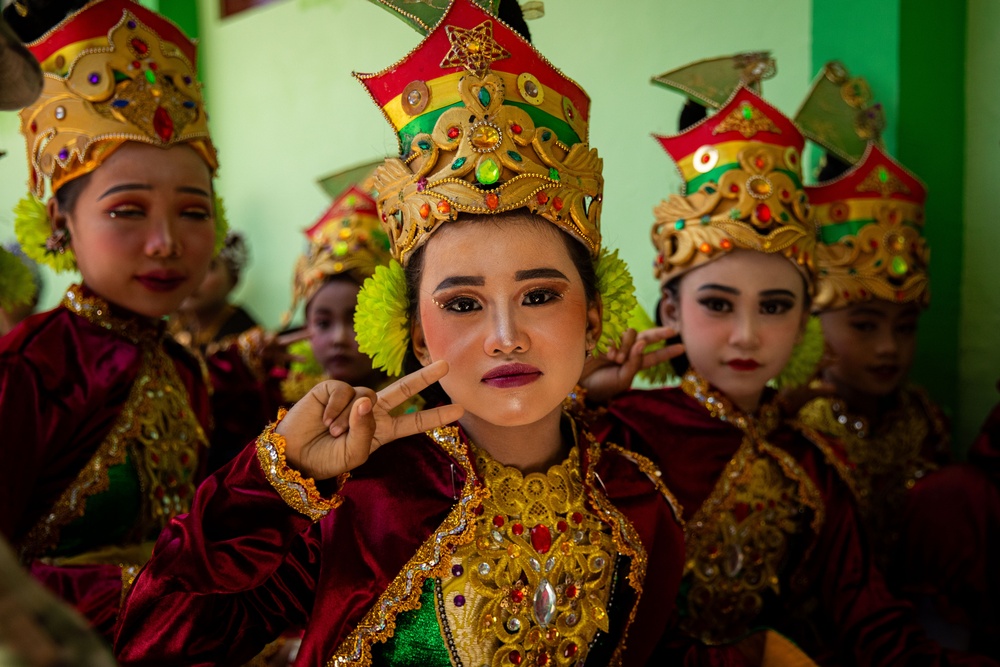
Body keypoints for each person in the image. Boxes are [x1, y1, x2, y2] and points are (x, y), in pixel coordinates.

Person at [114, 1, 688, 664]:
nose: (505, 336)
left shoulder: (641, 503)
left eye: (537, 295)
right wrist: (276, 477)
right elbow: (155, 642)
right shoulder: (366, 498)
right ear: (416, 335)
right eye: (463, 304)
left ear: (592, 317)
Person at [591, 56, 996, 664]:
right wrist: (577, 400)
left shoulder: (811, 464)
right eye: (718, 305)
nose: (748, 335)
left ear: (807, 319)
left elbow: (874, 630)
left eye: (776, 306)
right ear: (670, 311)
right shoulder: (625, 434)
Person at [0, 0, 223, 640]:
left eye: (192, 211)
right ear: (60, 223)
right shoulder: (32, 370)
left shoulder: (184, 367)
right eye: (128, 211)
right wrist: (166, 598)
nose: (166, 243)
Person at [794, 62, 1000, 656]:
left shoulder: (921, 416)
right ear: (809, 318)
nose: (889, 347)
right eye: (863, 325)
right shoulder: (798, 429)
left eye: (905, 327)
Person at [280, 170, 393, 403]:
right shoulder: (285, 401)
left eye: (356, 321)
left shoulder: (421, 406)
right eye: (322, 323)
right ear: (306, 325)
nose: (338, 339)